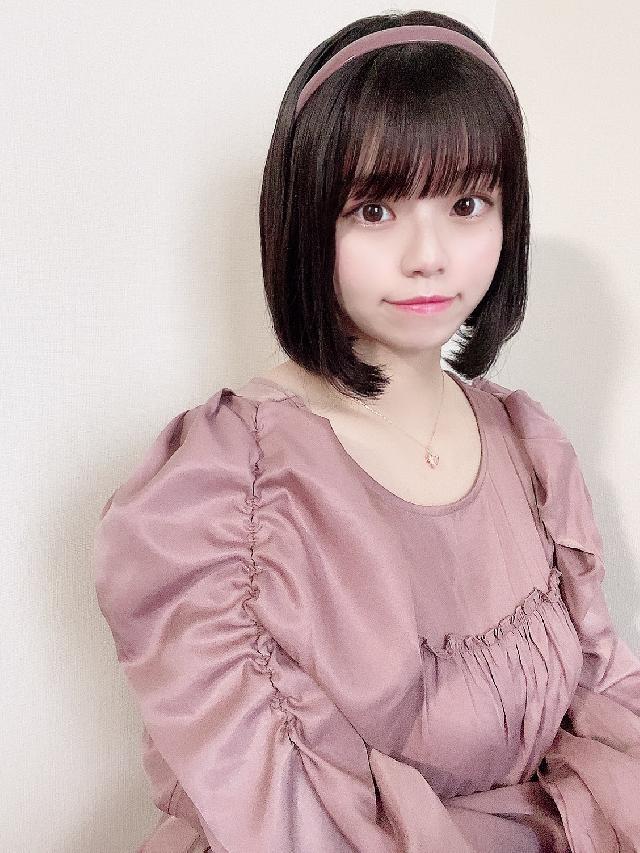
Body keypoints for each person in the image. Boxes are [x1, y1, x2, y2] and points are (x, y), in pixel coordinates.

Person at [93, 10, 640, 852]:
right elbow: (284, 817)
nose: (429, 255)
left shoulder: (528, 445)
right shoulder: (224, 491)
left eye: (467, 203)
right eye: (376, 209)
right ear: (306, 220)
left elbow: (606, 698)